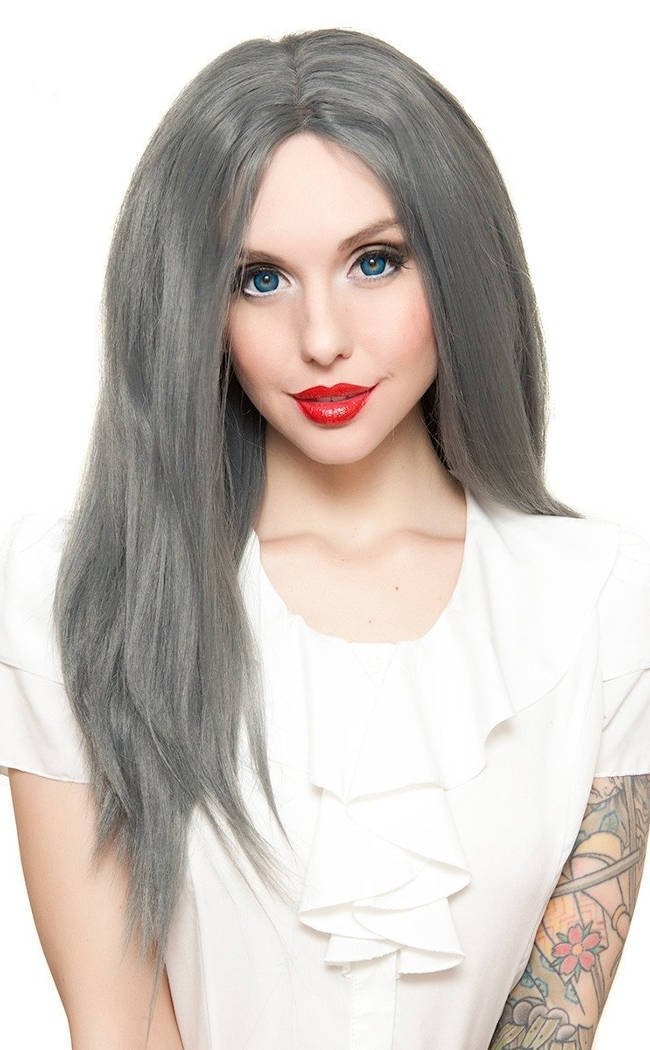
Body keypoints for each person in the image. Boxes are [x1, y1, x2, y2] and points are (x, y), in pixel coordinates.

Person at [1, 25, 649, 1050]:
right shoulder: (80, 596)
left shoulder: (600, 605)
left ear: (460, 266)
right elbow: (117, 1027)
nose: (321, 339)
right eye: (258, 278)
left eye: (374, 262)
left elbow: (552, 1030)